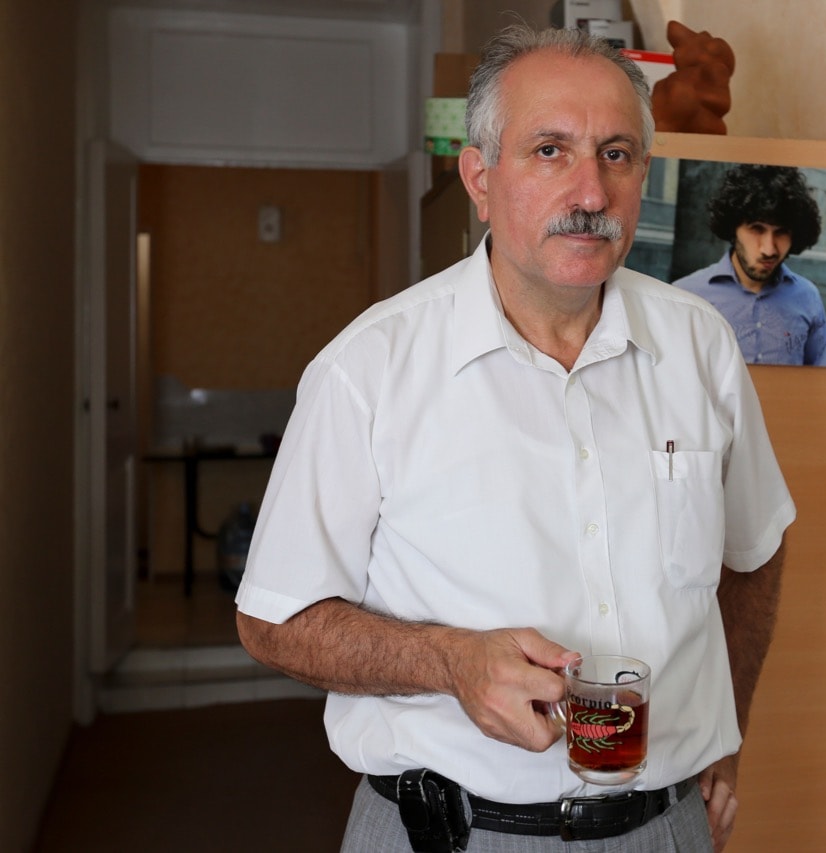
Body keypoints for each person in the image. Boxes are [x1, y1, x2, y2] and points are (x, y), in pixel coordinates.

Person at [234, 24, 794, 853]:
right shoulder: (370, 368)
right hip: (448, 835)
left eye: (616, 154)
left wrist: (729, 730)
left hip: (664, 829)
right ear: (480, 178)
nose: (592, 191)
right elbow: (273, 618)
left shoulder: (699, 343)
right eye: (548, 150)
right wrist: (446, 661)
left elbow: (756, 548)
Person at [672, 165, 826, 366]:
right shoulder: (685, 296)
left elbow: (824, 382)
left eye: (781, 232)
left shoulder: (808, 297)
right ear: (733, 228)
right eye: (756, 229)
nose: (769, 249)